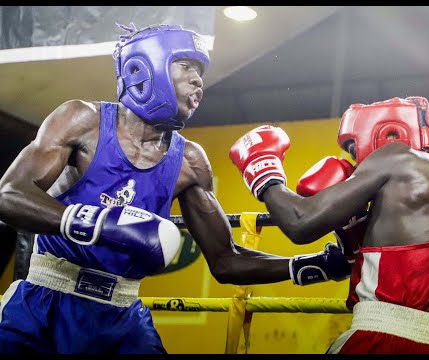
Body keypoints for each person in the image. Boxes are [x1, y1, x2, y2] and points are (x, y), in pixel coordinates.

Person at [0, 23, 352, 354]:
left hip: (122, 317)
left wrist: (309, 265)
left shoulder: (191, 162)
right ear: (145, 67)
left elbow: (226, 261)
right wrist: (94, 222)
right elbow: (9, 194)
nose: (198, 81)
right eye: (186, 65)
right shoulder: (82, 120)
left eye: (201, 73)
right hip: (45, 299)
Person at [229, 96, 429, 354]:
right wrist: (356, 241)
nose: (356, 163)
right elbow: (413, 277)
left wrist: (265, 173)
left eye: (353, 149)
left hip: (380, 341)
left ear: (389, 135)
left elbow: (300, 223)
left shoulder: (396, 156)